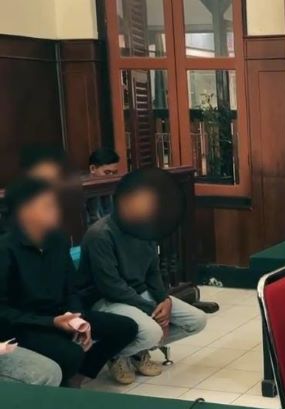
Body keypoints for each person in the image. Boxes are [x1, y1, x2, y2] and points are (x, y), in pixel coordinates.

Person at [0, 177, 138, 387]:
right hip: (26, 324)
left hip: (62, 316)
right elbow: (4, 312)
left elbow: (71, 288)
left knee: (126, 327)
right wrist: (51, 322)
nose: (56, 212)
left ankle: (78, 377)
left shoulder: (58, 239)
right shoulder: (5, 249)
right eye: (47, 206)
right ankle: (64, 384)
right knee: (70, 353)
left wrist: (77, 319)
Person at [77, 171, 207, 385]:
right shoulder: (100, 234)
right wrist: (152, 311)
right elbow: (111, 287)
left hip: (138, 293)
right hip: (106, 300)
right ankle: (115, 353)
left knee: (197, 320)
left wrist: (164, 300)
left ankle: (135, 351)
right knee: (152, 331)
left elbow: (153, 271)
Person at [86, 148, 120, 224]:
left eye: (114, 172)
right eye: (107, 172)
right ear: (92, 169)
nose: (111, 176)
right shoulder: (83, 189)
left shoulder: (114, 185)